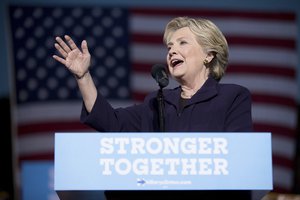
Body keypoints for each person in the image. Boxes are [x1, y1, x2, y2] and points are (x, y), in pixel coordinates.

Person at [53, 16, 253, 200]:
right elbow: (109, 121)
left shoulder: (232, 97)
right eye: (169, 47)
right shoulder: (156, 101)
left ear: (208, 55)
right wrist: (83, 76)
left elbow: (238, 158)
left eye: (182, 43)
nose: (172, 51)